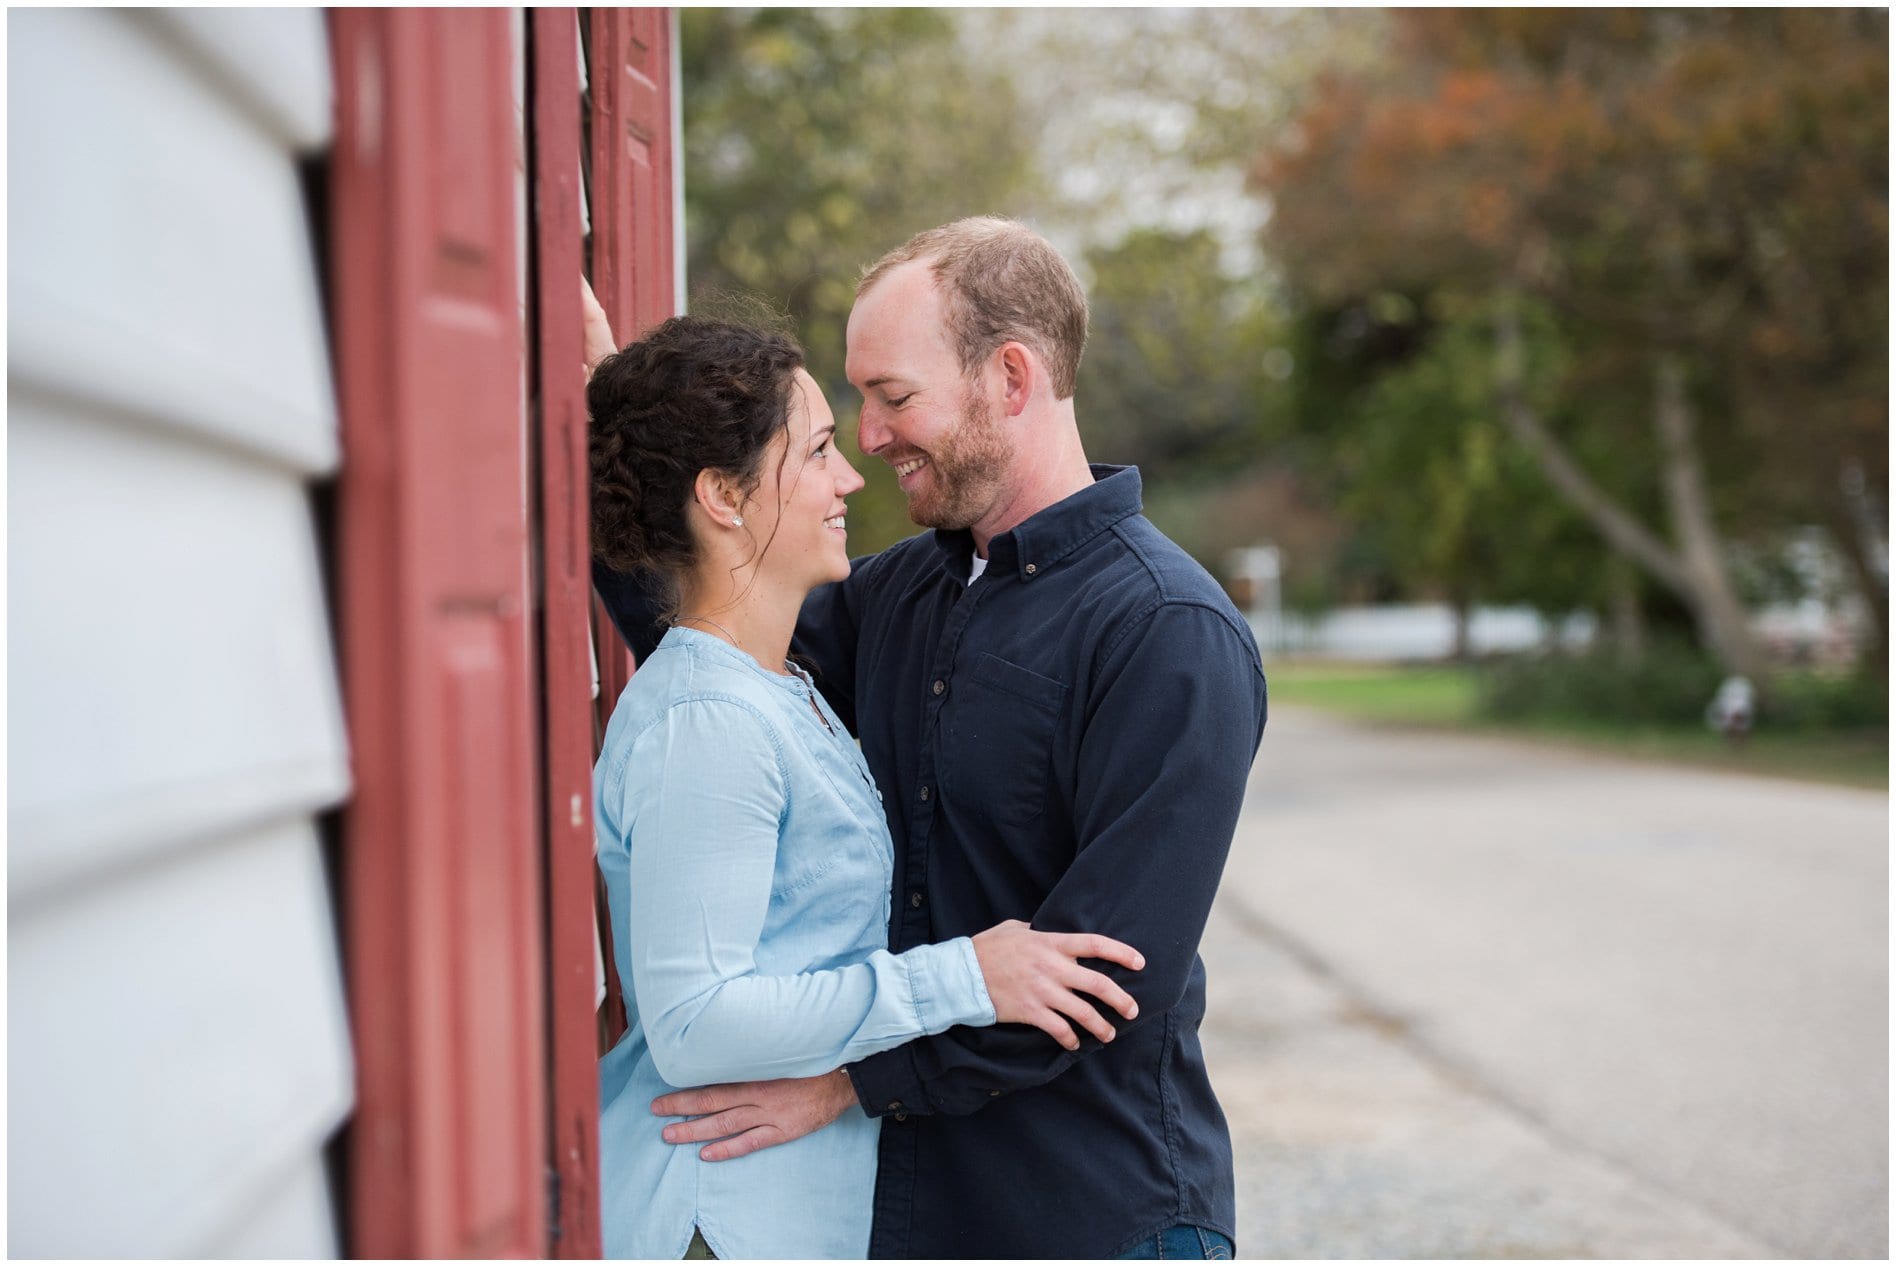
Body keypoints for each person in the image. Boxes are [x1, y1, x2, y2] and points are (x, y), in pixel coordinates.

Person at [595, 218, 1268, 1259]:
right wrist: (614, 419)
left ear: (1010, 378)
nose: (869, 436)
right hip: (898, 1215)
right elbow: (709, 610)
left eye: (893, 396)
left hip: (1084, 1213)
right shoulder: (899, 594)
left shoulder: (1168, 633)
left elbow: (1104, 980)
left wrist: (849, 1085)